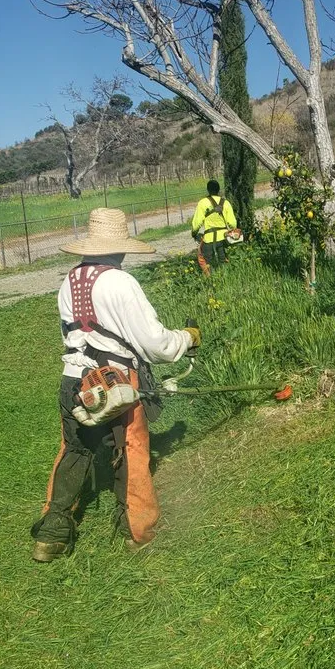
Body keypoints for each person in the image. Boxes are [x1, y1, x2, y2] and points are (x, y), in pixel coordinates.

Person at [31, 208, 201, 563]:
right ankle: (139, 531)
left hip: (74, 379)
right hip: (117, 380)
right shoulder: (120, 282)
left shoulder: (70, 280)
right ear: (120, 247)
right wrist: (186, 338)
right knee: (133, 449)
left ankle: (52, 533)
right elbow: (156, 345)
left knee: (74, 449)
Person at [191, 179, 238, 276]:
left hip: (209, 240)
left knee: (205, 263)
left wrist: (194, 233)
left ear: (208, 189)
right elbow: (233, 224)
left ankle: (210, 282)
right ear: (218, 190)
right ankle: (226, 281)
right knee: (224, 263)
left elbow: (196, 223)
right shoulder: (226, 203)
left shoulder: (203, 202)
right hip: (224, 239)